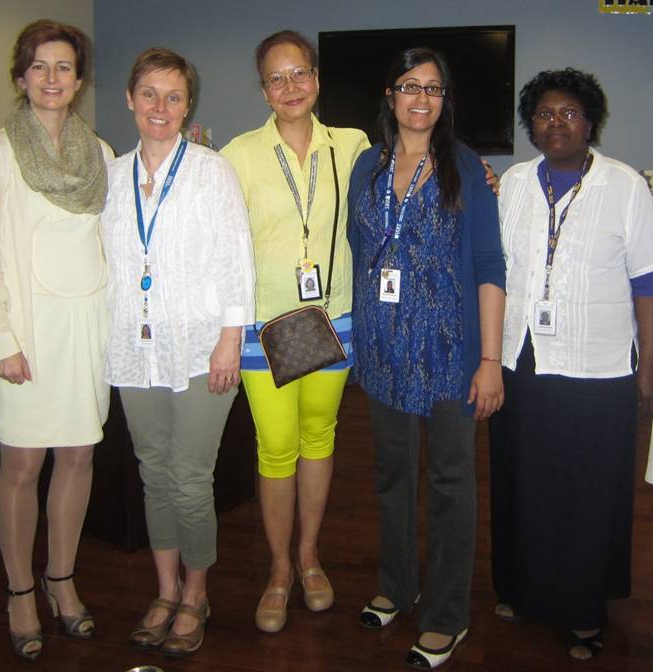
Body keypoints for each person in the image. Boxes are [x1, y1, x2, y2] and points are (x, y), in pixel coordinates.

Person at [348, 48, 505, 669]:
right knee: (392, 475)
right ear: (390, 96)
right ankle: (397, 585)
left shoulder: (465, 168)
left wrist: (489, 360)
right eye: (410, 86)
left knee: (449, 484)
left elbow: (490, 266)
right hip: (383, 350)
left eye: (434, 88)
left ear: (445, 100)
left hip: (448, 353)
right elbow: (362, 249)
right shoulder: (368, 165)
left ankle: (446, 615)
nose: (421, 98)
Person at [489, 68, 653, 661]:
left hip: (598, 364)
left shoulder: (625, 185)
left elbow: (646, 281)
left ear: (590, 123)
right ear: (530, 124)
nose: (555, 123)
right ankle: (521, 588)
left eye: (569, 113)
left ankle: (584, 610)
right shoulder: (514, 183)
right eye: (543, 114)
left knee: (586, 490)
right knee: (522, 481)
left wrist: (649, 365)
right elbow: (496, 271)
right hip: (522, 358)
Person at [0, 20, 113, 660]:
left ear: (79, 81)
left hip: (87, 328)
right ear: (21, 77)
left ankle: (61, 578)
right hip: (24, 331)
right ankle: (20, 589)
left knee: (78, 456)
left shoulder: (99, 153)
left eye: (64, 67)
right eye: (40, 66)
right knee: (22, 465)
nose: (52, 78)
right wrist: (0, 337)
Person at [101, 48, 254, 657]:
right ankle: (164, 590)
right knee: (153, 472)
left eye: (173, 96)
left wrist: (229, 340)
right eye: (149, 94)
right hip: (135, 350)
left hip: (200, 349)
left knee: (190, 479)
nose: (159, 107)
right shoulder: (112, 176)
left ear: (188, 105)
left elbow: (236, 260)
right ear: (129, 100)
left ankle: (196, 593)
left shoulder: (212, 171)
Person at [221, 29, 370, 635]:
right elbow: (223, 243)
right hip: (266, 326)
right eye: (276, 78)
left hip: (334, 320)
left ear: (316, 78)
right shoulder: (237, 155)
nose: (290, 87)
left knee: (319, 437)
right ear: (263, 90)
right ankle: (279, 569)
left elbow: (405, 185)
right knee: (276, 447)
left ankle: (309, 555)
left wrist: (477, 177)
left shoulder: (353, 146)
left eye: (299, 73)